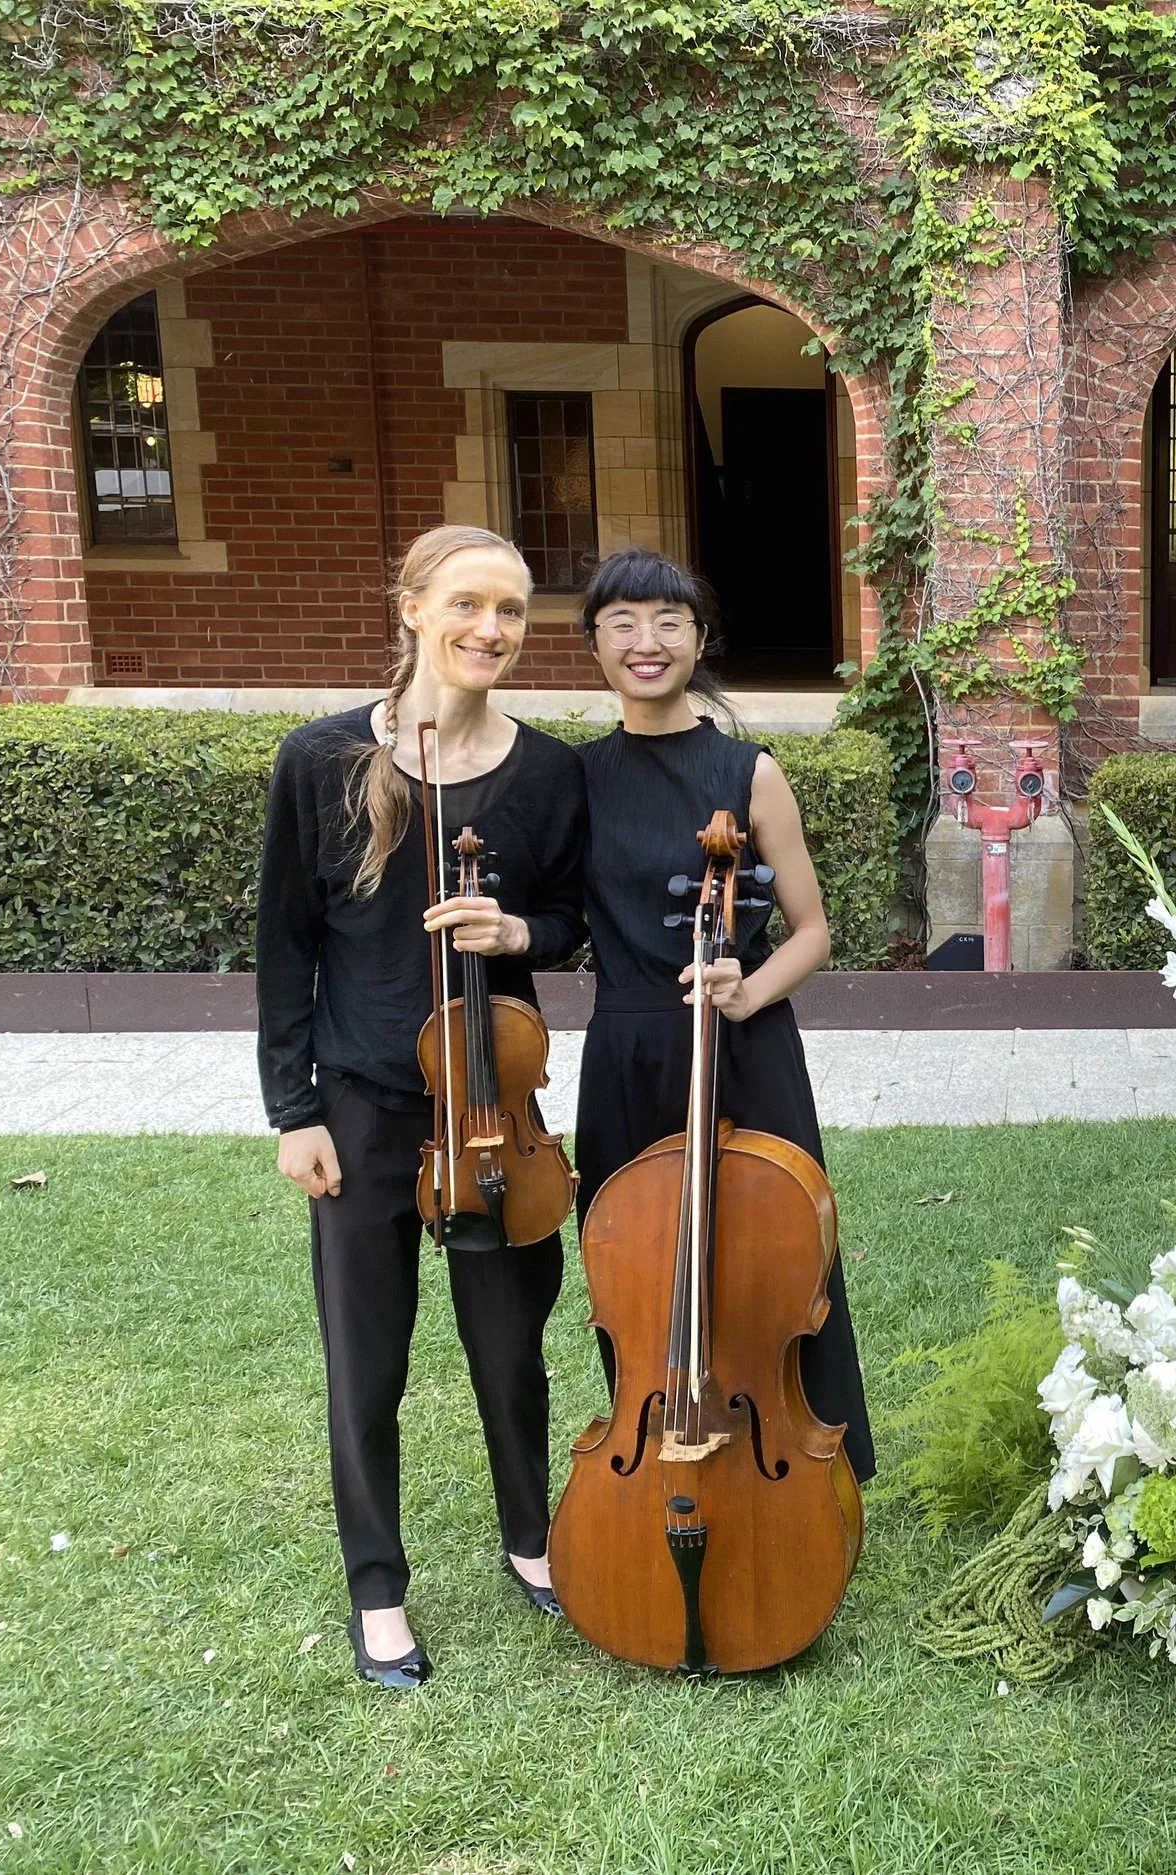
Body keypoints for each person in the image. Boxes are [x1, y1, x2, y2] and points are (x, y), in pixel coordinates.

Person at [257, 524, 588, 1689]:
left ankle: (530, 1540)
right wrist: (293, 1111)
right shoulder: (321, 760)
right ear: (411, 608)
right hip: (359, 1107)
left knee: (509, 1352)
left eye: (511, 610)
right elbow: (285, 947)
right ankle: (378, 1592)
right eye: (467, 604)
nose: (490, 630)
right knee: (368, 1363)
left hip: (494, 1111)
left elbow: (573, 923)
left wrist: (518, 930)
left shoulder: (548, 773)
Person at [570, 547, 874, 1485]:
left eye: (669, 621)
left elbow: (812, 931)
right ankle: (658, 1450)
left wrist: (751, 986)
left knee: (775, 1260)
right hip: (627, 1046)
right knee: (631, 1266)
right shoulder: (575, 777)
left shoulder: (749, 771)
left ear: (699, 640)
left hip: (743, 1042)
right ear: (594, 643)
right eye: (623, 622)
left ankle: (804, 1463)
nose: (647, 641)